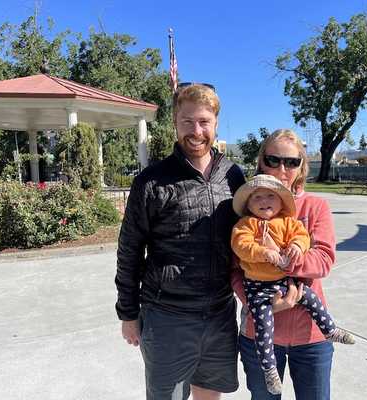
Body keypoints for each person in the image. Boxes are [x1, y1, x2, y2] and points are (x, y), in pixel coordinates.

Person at [115, 83, 245, 400]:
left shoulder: (233, 176)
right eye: (187, 122)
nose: (196, 131)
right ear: (175, 122)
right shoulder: (152, 180)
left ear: (215, 123)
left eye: (204, 122)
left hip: (219, 314)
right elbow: (130, 251)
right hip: (166, 317)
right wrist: (128, 314)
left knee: (209, 394)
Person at [232, 128, 346, 400]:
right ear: (261, 161)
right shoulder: (248, 208)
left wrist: (279, 260)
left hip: (311, 338)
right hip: (258, 333)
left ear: (301, 167)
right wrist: (255, 301)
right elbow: (235, 267)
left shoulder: (315, 207)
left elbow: (323, 260)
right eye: (273, 160)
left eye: (291, 162)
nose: (282, 168)